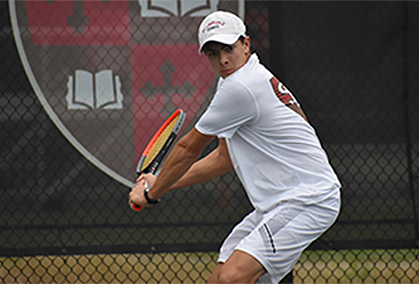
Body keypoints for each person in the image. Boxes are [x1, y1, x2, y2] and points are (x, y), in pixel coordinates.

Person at [129, 10, 341, 284]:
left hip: (309, 199)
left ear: (246, 44)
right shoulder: (236, 81)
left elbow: (187, 148)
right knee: (219, 279)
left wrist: (150, 194)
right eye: (213, 53)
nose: (223, 59)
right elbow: (223, 158)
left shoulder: (241, 86)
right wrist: (162, 183)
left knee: (232, 277)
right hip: (276, 205)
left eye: (228, 48)